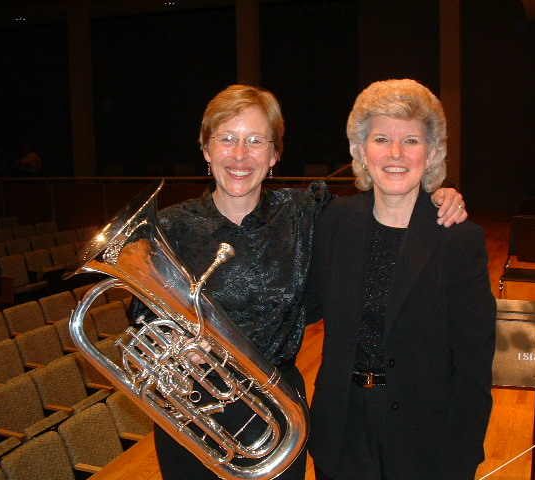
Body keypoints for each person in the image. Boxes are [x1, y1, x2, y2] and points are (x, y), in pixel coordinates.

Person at [129, 84, 468, 480]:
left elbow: (384, 205)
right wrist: (173, 346)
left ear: (274, 154)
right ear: (206, 149)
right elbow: (142, 315)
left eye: (256, 141)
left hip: (277, 408)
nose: (240, 155)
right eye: (228, 139)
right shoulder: (169, 228)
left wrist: (434, 194)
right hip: (191, 407)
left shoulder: (304, 211)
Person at [306, 79, 497, 480]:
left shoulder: (458, 238)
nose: (395, 154)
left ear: (431, 155)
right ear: (361, 151)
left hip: (426, 435)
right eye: (380, 139)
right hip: (341, 428)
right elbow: (299, 308)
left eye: (411, 140)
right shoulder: (333, 222)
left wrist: (459, 460)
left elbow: (474, 366)